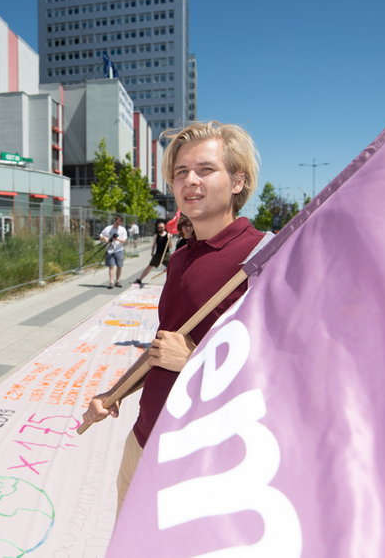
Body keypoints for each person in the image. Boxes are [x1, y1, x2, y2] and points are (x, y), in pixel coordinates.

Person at [82, 121, 265, 513]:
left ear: (237, 181)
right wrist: (114, 393)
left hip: (204, 459)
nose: (190, 181)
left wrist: (196, 360)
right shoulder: (182, 256)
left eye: (205, 169)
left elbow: (284, 371)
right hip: (145, 438)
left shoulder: (264, 258)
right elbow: (164, 348)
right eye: (181, 172)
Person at [133, 220, 171, 288]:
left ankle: (172, 282)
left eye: (161, 227)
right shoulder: (156, 235)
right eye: (158, 227)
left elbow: (171, 246)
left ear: (164, 227)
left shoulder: (168, 235)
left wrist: (169, 239)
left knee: (171, 267)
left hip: (166, 254)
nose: (160, 229)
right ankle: (139, 279)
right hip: (158, 254)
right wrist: (152, 252)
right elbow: (154, 245)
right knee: (149, 267)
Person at [99, 216, 128, 289]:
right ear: (114, 221)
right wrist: (105, 238)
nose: (118, 224)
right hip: (110, 250)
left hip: (119, 250)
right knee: (111, 266)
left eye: (119, 223)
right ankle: (111, 281)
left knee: (119, 266)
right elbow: (100, 236)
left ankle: (117, 281)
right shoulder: (108, 228)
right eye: (117, 223)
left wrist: (117, 239)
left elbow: (124, 240)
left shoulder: (122, 229)